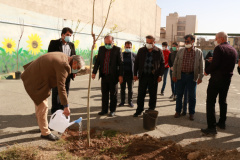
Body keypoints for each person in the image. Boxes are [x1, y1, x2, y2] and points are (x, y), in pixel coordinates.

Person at [21, 53, 84, 141]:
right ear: (74, 62)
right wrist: (66, 106)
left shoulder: (64, 57)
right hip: (35, 80)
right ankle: (45, 133)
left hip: (34, 75)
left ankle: (42, 126)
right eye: (77, 68)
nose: (76, 71)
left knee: (41, 106)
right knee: (43, 107)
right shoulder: (64, 66)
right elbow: (61, 87)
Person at [201, 32, 237, 135]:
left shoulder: (219, 48)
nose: (215, 40)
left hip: (217, 79)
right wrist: (214, 60)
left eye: (216, 38)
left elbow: (216, 64)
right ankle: (222, 123)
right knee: (223, 101)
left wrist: (206, 71)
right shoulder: (233, 50)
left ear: (221, 38)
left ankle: (211, 127)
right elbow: (223, 62)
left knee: (211, 102)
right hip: (227, 79)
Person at [172, 34, 204, 121]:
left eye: (188, 41)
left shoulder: (198, 52)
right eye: (185, 41)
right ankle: (178, 111)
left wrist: (201, 76)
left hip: (192, 76)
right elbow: (175, 64)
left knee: (192, 96)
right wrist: (174, 75)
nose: (186, 43)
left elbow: (201, 65)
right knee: (179, 95)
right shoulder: (181, 51)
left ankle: (191, 113)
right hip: (180, 76)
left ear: (193, 41)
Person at [133, 35, 165, 117]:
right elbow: (136, 63)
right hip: (143, 76)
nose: (148, 44)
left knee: (153, 95)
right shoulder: (141, 50)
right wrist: (135, 74)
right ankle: (139, 110)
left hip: (153, 77)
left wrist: (160, 75)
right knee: (141, 94)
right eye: (147, 42)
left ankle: (151, 110)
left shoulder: (158, 51)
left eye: (150, 42)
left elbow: (162, 64)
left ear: (154, 42)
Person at [92, 35, 123, 117]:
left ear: (113, 41)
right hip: (104, 76)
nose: (107, 44)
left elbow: (121, 64)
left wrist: (120, 75)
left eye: (109, 43)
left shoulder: (117, 50)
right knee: (104, 94)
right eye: (106, 43)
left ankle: (112, 110)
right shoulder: (101, 49)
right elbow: (97, 61)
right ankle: (104, 110)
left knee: (113, 95)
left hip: (113, 76)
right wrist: (94, 72)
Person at [48, 27, 76, 114]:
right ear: (62, 35)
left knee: (65, 91)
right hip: (57, 72)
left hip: (68, 72)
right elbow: (50, 56)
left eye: (70, 35)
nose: (69, 37)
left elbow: (73, 59)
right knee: (56, 92)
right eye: (67, 35)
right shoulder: (54, 43)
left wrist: (74, 72)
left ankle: (62, 109)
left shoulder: (71, 45)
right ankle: (55, 112)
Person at [118, 41, 136, 107]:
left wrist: (136, 75)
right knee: (122, 89)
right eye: (127, 47)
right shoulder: (121, 55)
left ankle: (130, 102)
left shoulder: (134, 55)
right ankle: (122, 102)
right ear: (124, 47)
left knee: (130, 90)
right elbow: (119, 65)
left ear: (131, 47)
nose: (128, 48)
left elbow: (137, 66)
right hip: (122, 75)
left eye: (129, 47)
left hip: (130, 76)